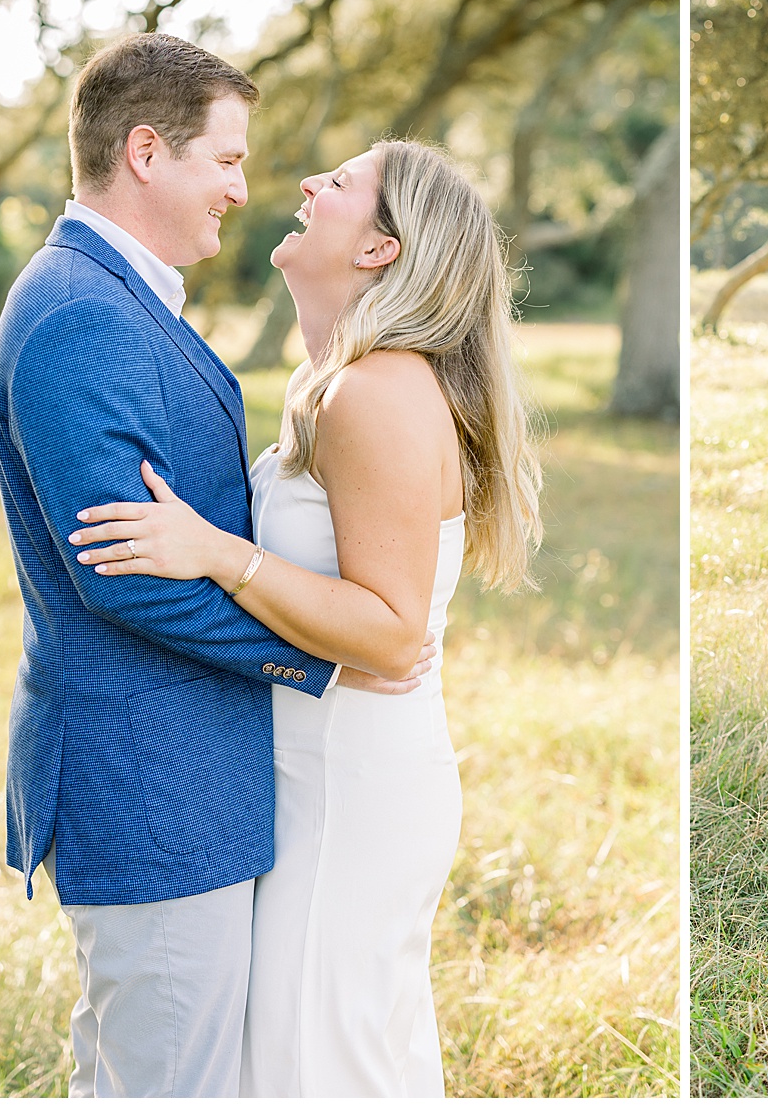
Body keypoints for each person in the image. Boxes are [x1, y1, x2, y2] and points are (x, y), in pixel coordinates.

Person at [0, 32, 430, 1098]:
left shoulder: (118, 298)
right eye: (226, 159)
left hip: (194, 780)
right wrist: (319, 662)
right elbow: (123, 570)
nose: (243, 187)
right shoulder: (83, 315)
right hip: (152, 785)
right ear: (148, 151)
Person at [71, 138, 543, 1095]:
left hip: (349, 787)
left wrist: (219, 554)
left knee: (317, 1061)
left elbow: (391, 633)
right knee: (324, 1049)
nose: (307, 187)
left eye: (342, 183)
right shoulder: (336, 381)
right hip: (313, 767)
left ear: (380, 247)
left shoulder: (372, 395)